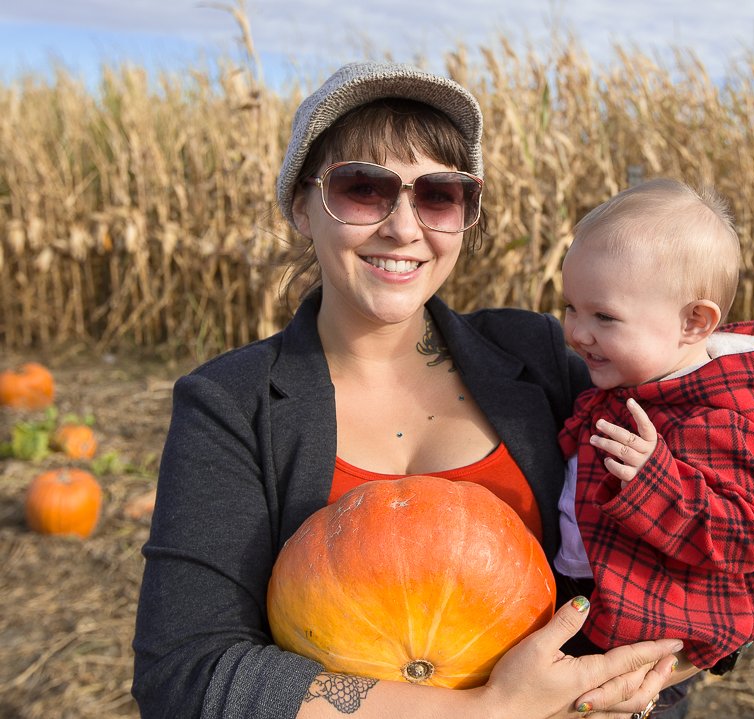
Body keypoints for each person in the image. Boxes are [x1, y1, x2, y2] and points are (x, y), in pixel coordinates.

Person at [131, 61, 696, 719]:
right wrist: (486, 711)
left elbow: (697, 536)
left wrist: (644, 683)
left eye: (438, 194)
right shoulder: (232, 404)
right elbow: (186, 674)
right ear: (299, 207)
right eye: (363, 188)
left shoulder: (545, 357)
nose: (404, 227)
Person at [553, 179, 754, 714]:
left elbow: (744, 536)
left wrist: (655, 484)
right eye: (571, 307)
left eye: (603, 316)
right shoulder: (632, 382)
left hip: (643, 643)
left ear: (694, 322)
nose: (577, 331)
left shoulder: (719, 423)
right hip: (592, 600)